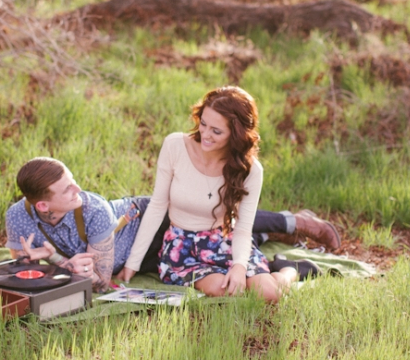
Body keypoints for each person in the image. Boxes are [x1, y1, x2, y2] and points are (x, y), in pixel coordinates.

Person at [4, 157, 340, 293]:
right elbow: (21, 266)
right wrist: (58, 262)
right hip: (141, 257)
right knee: (211, 253)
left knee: (219, 220)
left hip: (155, 222)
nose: (79, 189)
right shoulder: (17, 216)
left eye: (73, 181)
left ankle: (296, 222)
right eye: (68, 189)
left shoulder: (93, 209)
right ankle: (268, 236)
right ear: (43, 204)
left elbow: (100, 281)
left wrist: (63, 266)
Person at [118, 86, 313, 302]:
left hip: (225, 242)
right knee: (225, 289)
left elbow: (243, 227)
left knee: (269, 294)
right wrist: (131, 264)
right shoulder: (174, 145)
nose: (205, 135)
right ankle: (270, 272)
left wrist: (239, 267)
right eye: (203, 124)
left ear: (235, 134)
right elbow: (156, 207)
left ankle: (289, 271)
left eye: (216, 131)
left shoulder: (250, 169)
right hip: (182, 247)